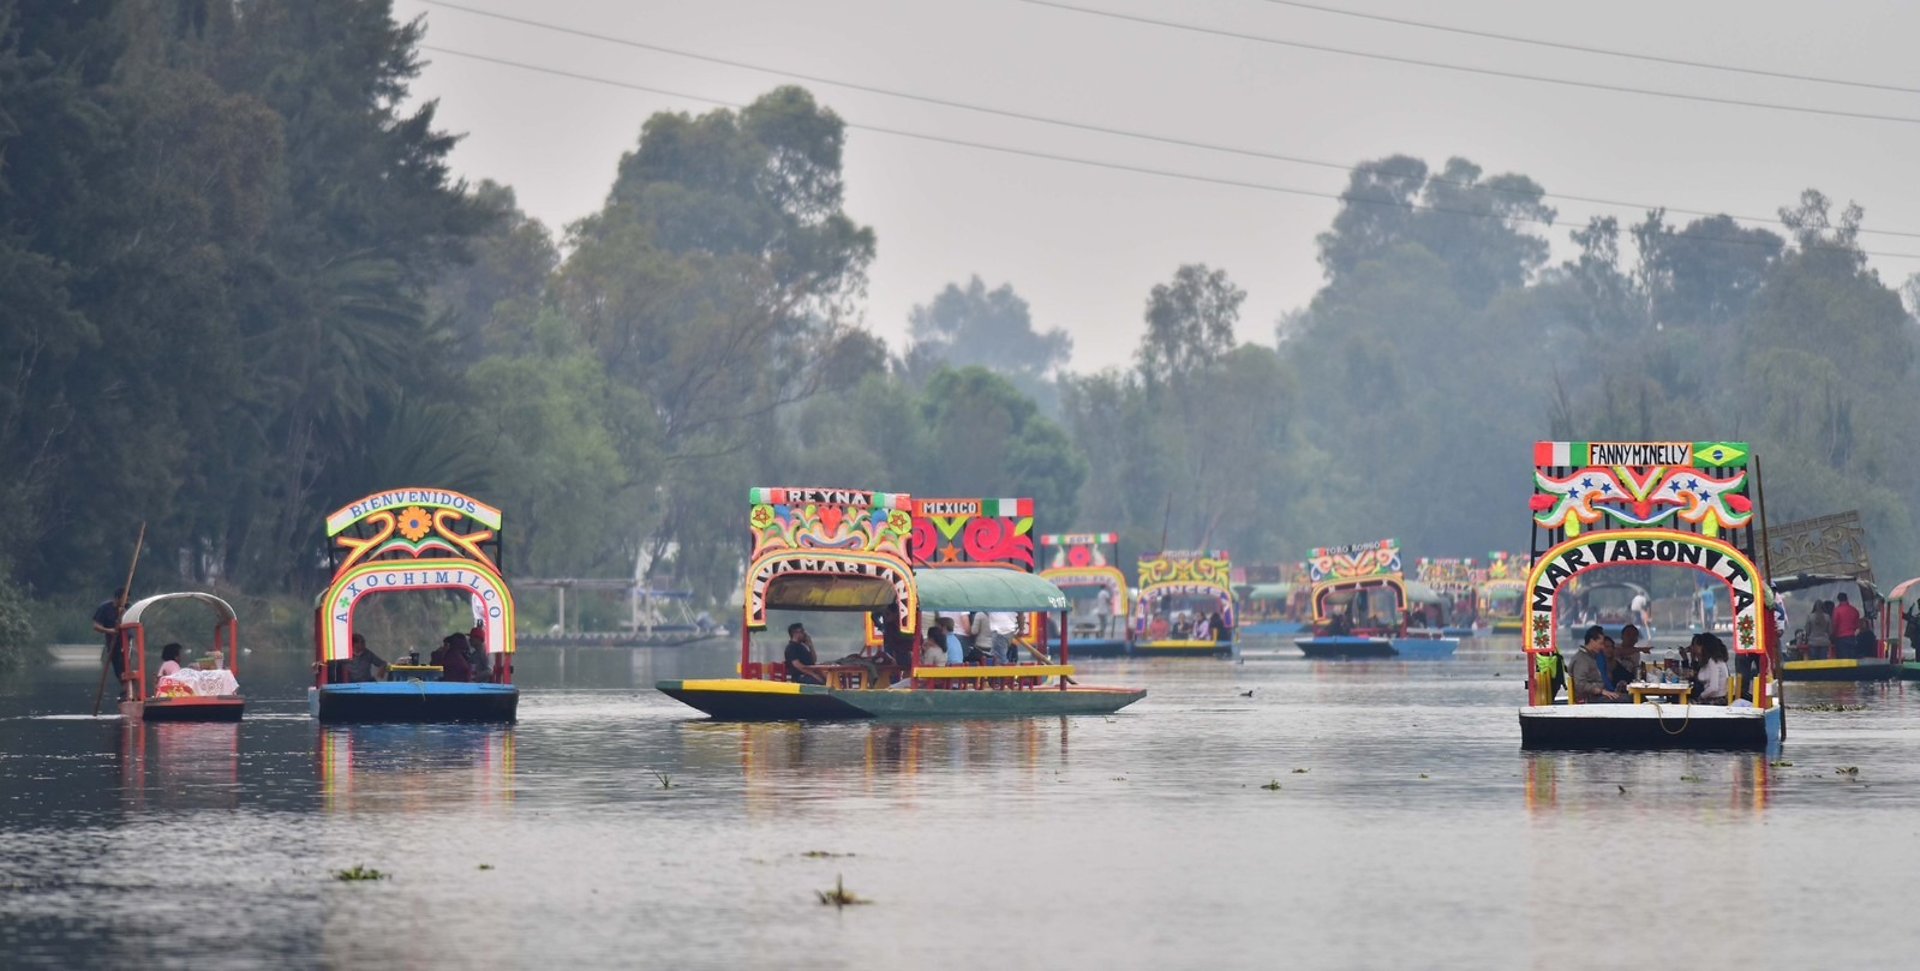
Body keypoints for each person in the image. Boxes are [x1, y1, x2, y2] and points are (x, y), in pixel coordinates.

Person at [1569, 624, 1624, 703]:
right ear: (1592, 641)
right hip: (1590, 698)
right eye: (1600, 643)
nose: (1602, 647)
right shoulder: (1582, 659)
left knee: (1625, 695)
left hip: (1596, 696)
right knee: (1628, 699)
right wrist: (1601, 691)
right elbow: (1580, 685)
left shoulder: (1591, 657)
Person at [92, 588, 129, 701]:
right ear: (117, 598)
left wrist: (122, 615)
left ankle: (129, 690)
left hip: (127, 641)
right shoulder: (105, 608)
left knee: (127, 666)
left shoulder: (128, 607)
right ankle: (125, 690)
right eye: (124, 598)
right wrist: (110, 631)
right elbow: (96, 626)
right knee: (118, 667)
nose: (126, 600)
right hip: (113, 643)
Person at [1691, 633, 1731, 704]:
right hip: (1714, 699)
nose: (1694, 647)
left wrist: (1701, 696)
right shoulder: (1713, 660)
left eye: (1697, 645)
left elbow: (1713, 688)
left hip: (1716, 701)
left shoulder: (1713, 662)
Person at [1832, 593, 1862, 659]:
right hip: (1852, 637)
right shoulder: (1854, 610)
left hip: (1841, 638)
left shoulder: (1837, 611)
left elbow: (1834, 624)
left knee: (1842, 660)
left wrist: (1833, 635)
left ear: (1839, 600)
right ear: (1847, 598)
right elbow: (1857, 625)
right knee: (1852, 659)